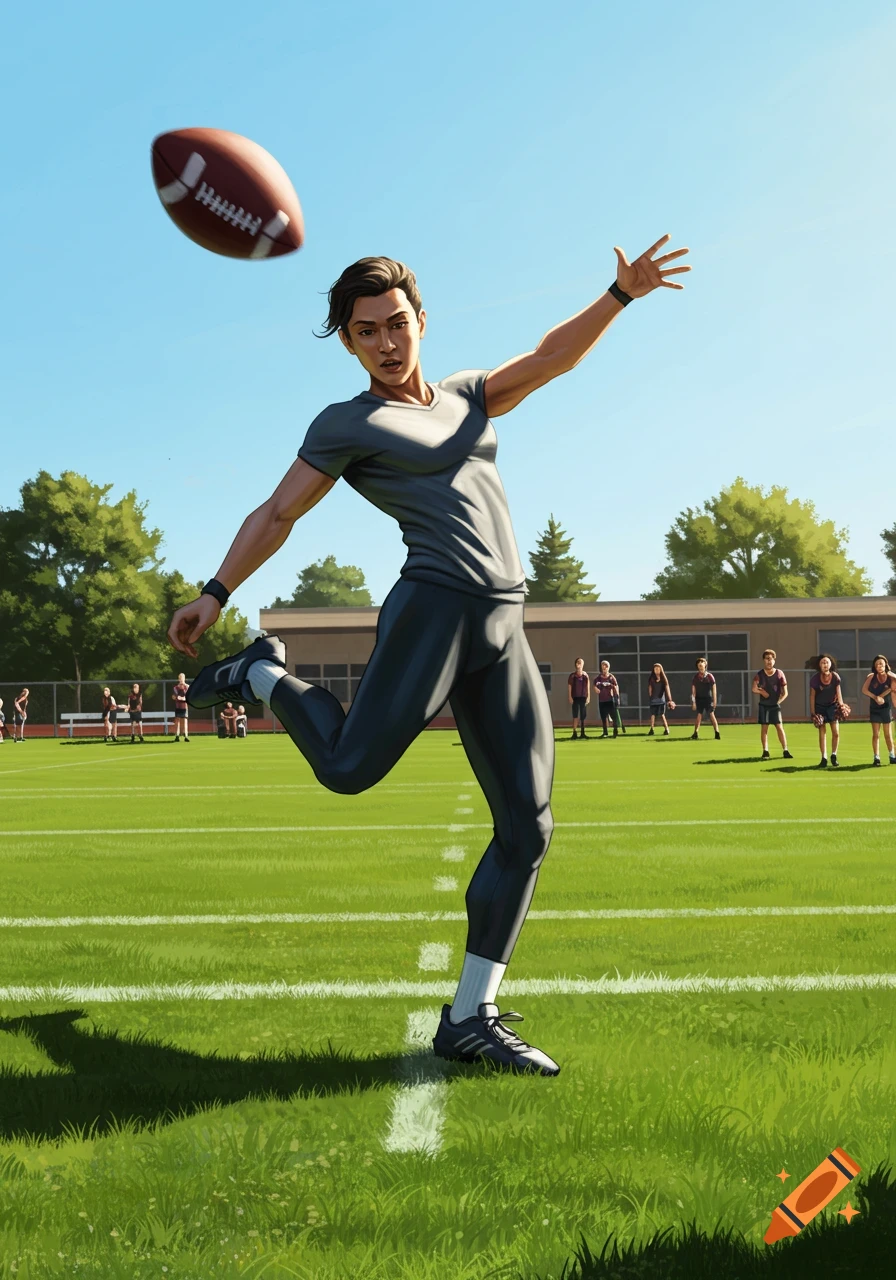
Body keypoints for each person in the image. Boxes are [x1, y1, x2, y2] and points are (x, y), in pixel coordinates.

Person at [167, 239, 691, 1077]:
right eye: (366, 331)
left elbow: (551, 359)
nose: (385, 341)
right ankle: (259, 670)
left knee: (529, 827)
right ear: (349, 343)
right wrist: (216, 591)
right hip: (434, 611)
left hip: (503, 621)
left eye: (396, 323)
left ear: (421, 321)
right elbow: (278, 512)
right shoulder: (349, 424)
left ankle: (470, 1017)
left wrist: (618, 296)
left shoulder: (469, 397)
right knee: (347, 769)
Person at [752, 649, 793, 761]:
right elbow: (754, 688)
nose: (769, 661)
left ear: (774, 660)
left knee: (779, 727)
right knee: (764, 728)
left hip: (775, 706)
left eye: (771, 659)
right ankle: (765, 751)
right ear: (763, 660)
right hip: (764, 705)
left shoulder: (779, 674)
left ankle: (785, 750)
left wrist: (778, 702)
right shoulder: (759, 674)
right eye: (767, 659)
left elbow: (785, 692)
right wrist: (762, 692)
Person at [809, 653, 846, 768]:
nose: (825, 664)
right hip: (820, 707)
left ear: (831, 664)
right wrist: (813, 712)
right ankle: (824, 758)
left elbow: (839, 693)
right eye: (822, 662)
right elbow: (812, 696)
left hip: (832, 706)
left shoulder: (835, 677)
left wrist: (841, 706)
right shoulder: (815, 679)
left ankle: (834, 755)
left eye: (827, 662)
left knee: (836, 732)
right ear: (819, 665)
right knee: (822, 732)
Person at [861, 654, 896, 766]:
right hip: (875, 708)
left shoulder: (890, 677)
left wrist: (882, 696)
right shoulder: (872, 677)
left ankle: (892, 755)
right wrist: (876, 697)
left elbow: (892, 688)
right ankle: (876, 757)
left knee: (888, 734)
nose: (879, 666)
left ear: (885, 664)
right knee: (876, 734)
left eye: (881, 663)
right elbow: (864, 690)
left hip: (886, 708)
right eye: (877, 664)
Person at [690, 657, 721, 740]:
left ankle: (717, 732)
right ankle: (695, 733)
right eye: (699, 664)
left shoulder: (710, 676)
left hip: (708, 699)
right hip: (699, 699)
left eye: (702, 663)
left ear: (705, 665)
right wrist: (693, 702)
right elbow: (693, 691)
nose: (700, 666)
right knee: (699, 715)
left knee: (711, 714)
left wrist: (715, 700)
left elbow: (714, 689)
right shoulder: (695, 677)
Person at [593, 660, 620, 737]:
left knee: (613, 716)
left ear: (608, 668)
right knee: (603, 717)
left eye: (606, 667)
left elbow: (616, 686)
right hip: (602, 700)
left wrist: (617, 697)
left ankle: (615, 731)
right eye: (603, 667)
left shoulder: (611, 677)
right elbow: (594, 684)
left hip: (610, 700)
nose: (604, 668)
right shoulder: (598, 678)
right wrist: (595, 688)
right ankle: (605, 732)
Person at [647, 664, 674, 736]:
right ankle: (652, 729)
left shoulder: (663, 679)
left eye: (658, 669)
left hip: (661, 700)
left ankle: (666, 729)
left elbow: (667, 688)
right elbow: (650, 688)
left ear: (661, 670)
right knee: (653, 714)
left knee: (662, 715)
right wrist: (651, 696)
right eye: (655, 669)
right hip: (653, 700)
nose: (657, 670)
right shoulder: (651, 679)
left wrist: (670, 700)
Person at [567, 657, 590, 739]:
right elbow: (569, 686)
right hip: (575, 697)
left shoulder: (585, 675)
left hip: (583, 697)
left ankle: (582, 732)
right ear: (576, 664)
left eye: (581, 663)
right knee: (575, 715)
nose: (579, 664)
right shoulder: (572, 676)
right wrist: (570, 696)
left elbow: (587, 686)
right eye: (578, 662)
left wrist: (588, 697)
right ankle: (574, 732)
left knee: (583, 715)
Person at [172, 673, 190, 742]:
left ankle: (186, 736)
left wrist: (184, 698)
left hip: (185, 706)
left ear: (184, 678)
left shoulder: (187, 687)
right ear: (178, 679)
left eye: (182, 678)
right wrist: (176, 697)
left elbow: (189, 695)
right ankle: (177, 736)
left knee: (185, 721)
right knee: (177, 720)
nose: (181, 679)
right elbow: (175, 696)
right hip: (178, 706)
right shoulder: (176, 688)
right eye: (180, 678)